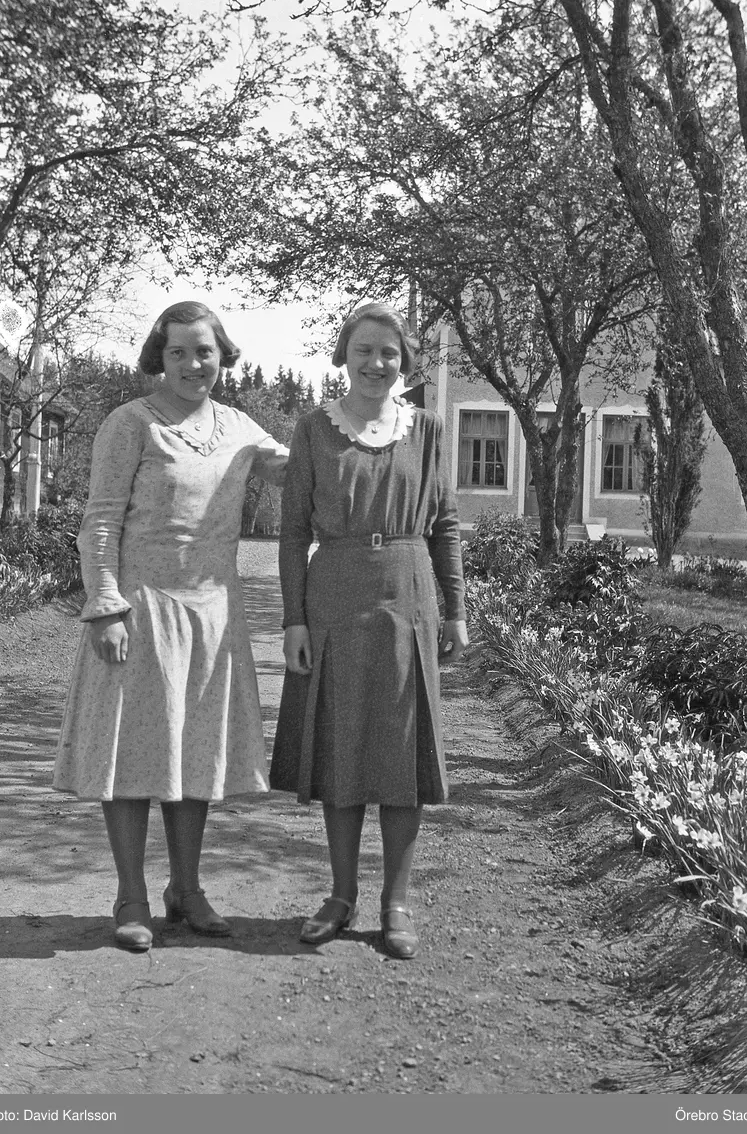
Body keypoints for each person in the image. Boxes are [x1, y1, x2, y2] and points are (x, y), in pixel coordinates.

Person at [53, 301, 289, 952]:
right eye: (178, 351)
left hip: (212, 615)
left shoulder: (239, 427)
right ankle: (130, 896)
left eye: (204, 351)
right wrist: (106, 604)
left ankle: (186, 889)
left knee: (194, 754)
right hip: (141, 610)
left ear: (222, 355)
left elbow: (300, 468)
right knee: (131, 756)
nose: (192, 364)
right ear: (159, 357)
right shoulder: (130, 423)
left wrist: (362, 428)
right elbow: (101, 520)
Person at [270, 301, 468, 960]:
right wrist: (294, 619)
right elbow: (293, 532)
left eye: (389, 352)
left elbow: (445, 524)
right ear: (343, 358)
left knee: (402, 751)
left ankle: (396, 902)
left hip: (408, 594)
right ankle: (341, 894)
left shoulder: (427, 428)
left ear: (405, 360)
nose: (377, 363)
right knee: (343, 746)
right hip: (335, 596)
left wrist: (456, 610)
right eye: (364, 351)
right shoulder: (314, 429)